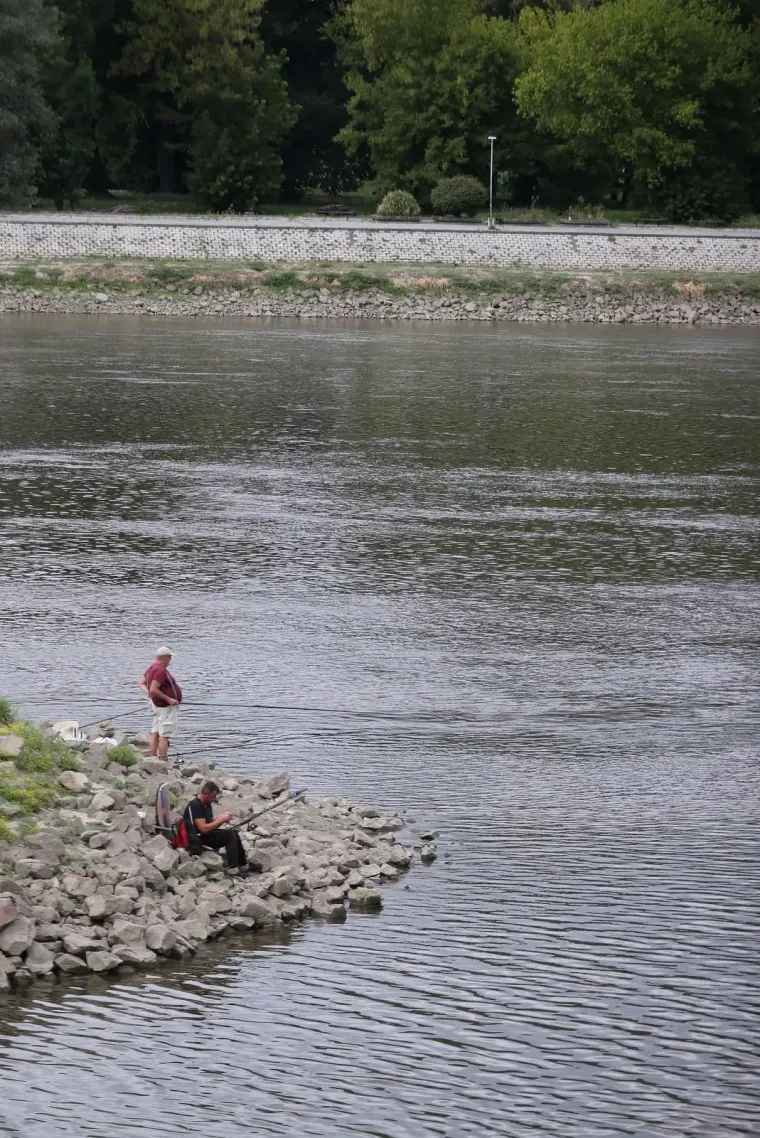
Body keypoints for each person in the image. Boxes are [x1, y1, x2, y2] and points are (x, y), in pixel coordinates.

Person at [185, 781, 249, 873]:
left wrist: (223, 818)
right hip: (196, 838)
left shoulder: (207, 804)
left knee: (233, 833)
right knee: (230, 835)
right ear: (206, 793)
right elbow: (203, 829)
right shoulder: (195, 805)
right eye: (213, 796)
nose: (214, 799)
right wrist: (221, 819)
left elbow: (210, 821)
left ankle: (243, 864)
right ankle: (232, 868)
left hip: (205, 835)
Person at [138, 646, 182, 759]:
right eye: (169, 657)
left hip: (157, 707)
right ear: (163, 657)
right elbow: (154, 689)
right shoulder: (160, 670)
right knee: (165, 734)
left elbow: (141, 683)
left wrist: (149, 695)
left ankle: (153, 758)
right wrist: (169, 699)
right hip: (166, 707)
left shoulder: (151, 668)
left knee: (156, 732)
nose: (170, 659)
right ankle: (163, 760)